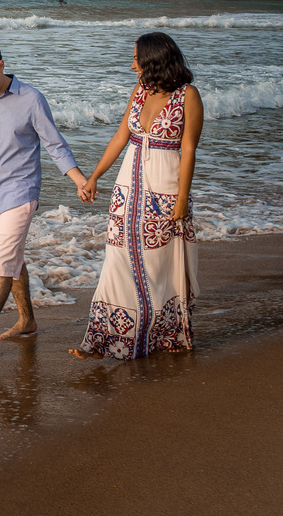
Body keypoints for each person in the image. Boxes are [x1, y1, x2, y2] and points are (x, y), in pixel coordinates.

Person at [72, 32, 203, 360]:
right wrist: (94, 176)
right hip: (127, 190)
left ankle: (158, 335)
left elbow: (188, 150)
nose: (132, 66)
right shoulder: (140, 91)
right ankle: (103, 340)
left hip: (165, 189)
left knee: (158, 265)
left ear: (155, 61)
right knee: (117, 259)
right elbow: (121, 136)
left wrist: (183, 199)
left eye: (137, 60)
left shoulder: (188, 96)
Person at [0, 40, 89, 352]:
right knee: (11, 259)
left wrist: (79, 181)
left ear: (1, 65)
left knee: (2, 261)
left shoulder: (31, 99)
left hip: (22, 192)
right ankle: (27, 319)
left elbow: (55, 145)